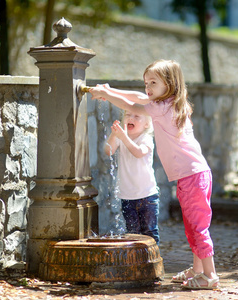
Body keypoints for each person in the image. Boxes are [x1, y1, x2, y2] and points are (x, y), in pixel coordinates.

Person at [90, 59, 220, 290]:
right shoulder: (171, 103)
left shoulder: (162, 107)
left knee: (198, 228)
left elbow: (136, 106)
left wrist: (106, 95)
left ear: (169, 84)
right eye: (146, 82)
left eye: (153, 82)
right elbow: (137, 97)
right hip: (195, 175)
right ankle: (198, 270)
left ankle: (209, 276)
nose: (147, 87)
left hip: (192, 176)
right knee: (193, 226)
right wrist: (110, 90)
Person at [104, 110, 160, 244]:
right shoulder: (121, 137)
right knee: (132, 233)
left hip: (147, 195)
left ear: (146, 124)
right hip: (127, 196)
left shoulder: (146, 138)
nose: (131, 118)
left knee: (150, 231)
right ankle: (136, 262)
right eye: (128, 115)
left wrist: (123, 138)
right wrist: (113, 135)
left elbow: (139, 152)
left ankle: (153, 261)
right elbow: (109, 151)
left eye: (136, 116)